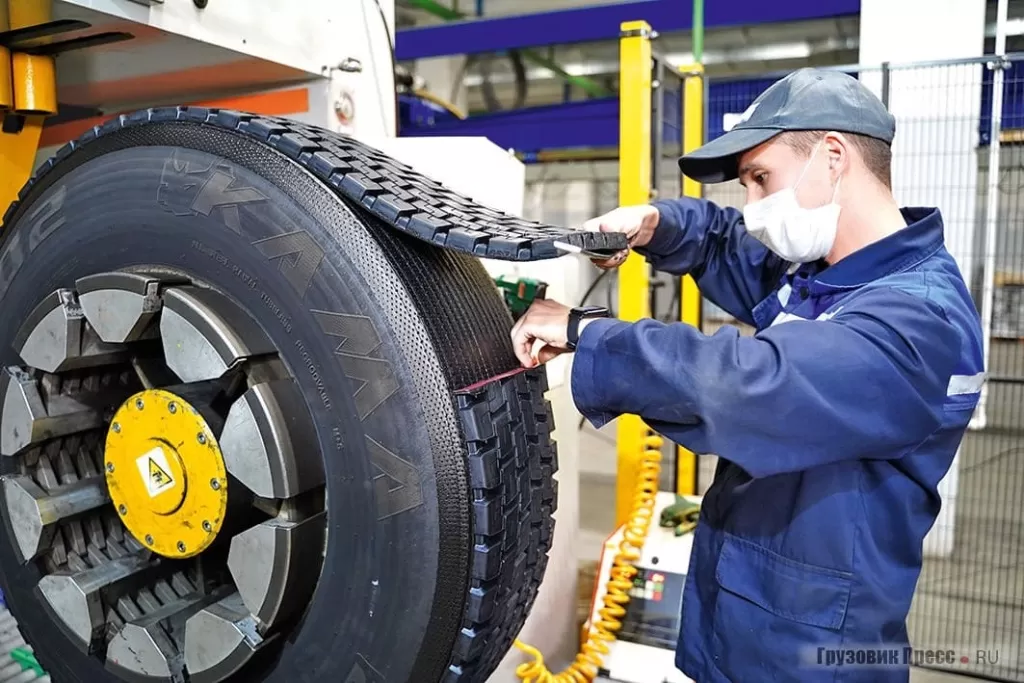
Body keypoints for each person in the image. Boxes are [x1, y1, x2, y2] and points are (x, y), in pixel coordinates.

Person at [510, 68, 985, 682]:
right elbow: (722, 244)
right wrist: (654, 223)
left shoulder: (919, 318)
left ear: (833, 156)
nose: (754, 207)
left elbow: (750, 386)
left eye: (761, 178)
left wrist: (586, 333)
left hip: (814, 649)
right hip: (739, 615)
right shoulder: (827, 275)